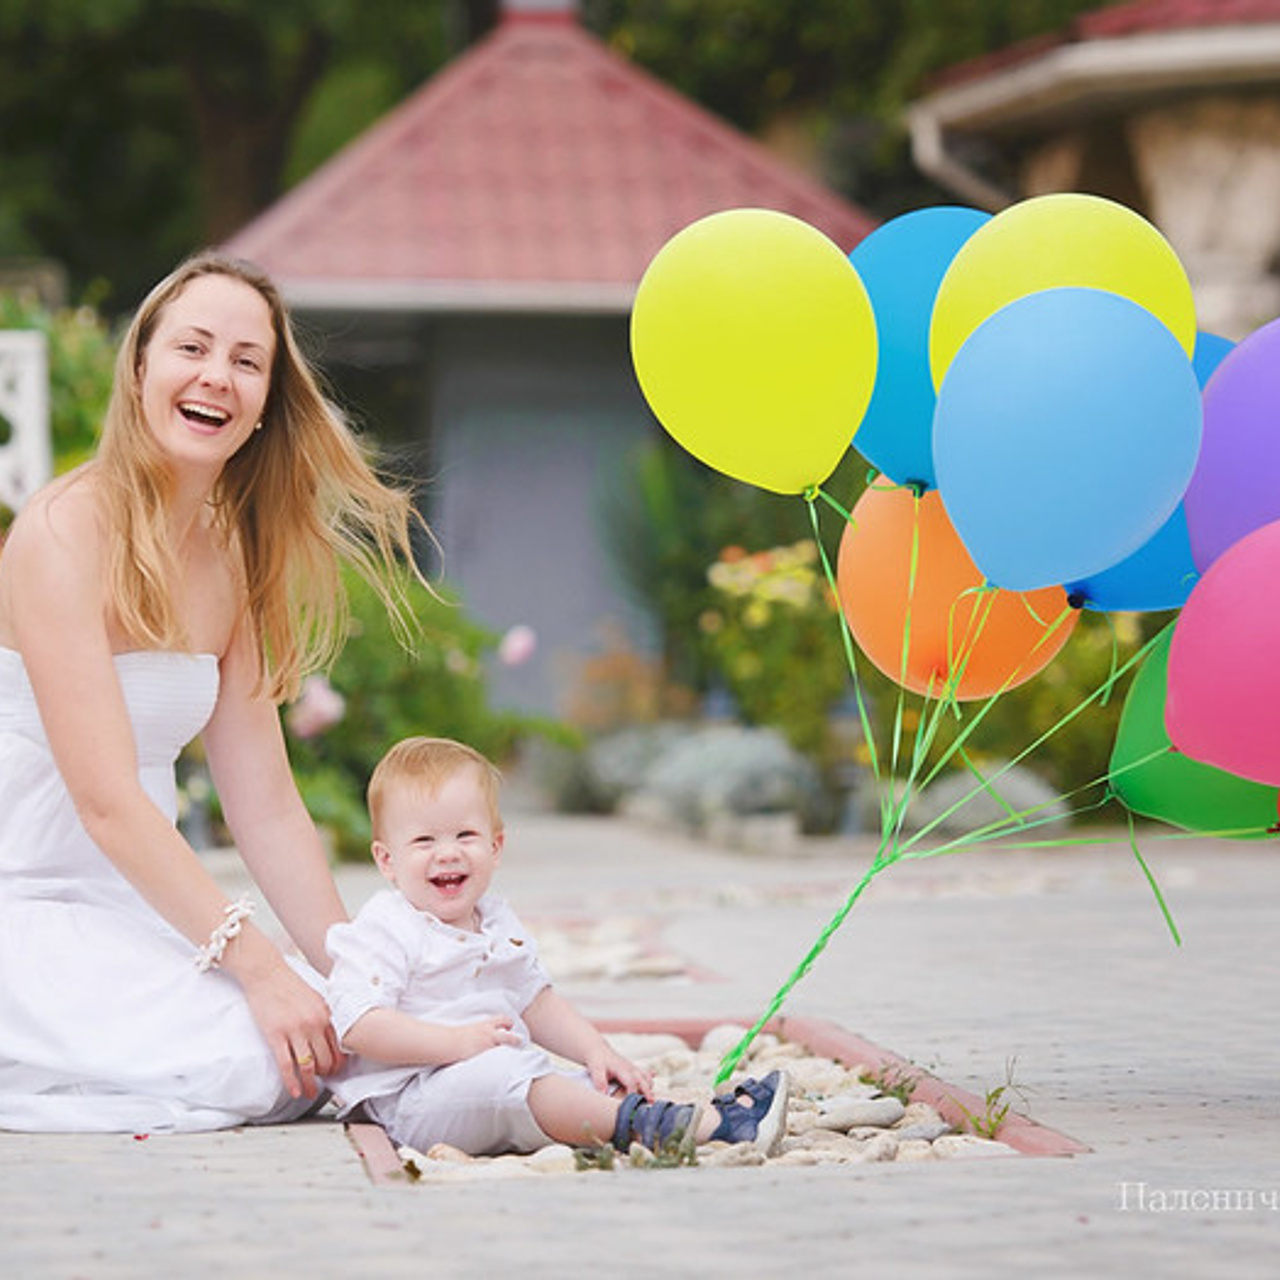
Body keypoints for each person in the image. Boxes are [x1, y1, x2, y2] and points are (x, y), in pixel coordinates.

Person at [0, 250, 428, 1132]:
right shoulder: (61, 532)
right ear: (141, 367)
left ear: (269, 398)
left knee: (344, 1030)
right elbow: (108, 803)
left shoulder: (233, 554)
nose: (215, 378)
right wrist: (260, 968)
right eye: (192, 348)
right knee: (268, 1055)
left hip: (138, 909)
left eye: (246, 360)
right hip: (24, 903)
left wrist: (353, 975)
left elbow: (267, 805)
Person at [325, 736, 789, 1157]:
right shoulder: (387, 926)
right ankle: (692, 1127)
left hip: (498, 1082)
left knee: (589, 1084)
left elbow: (536, 1001)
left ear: (496, 845)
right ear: (387, 860)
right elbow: (359, 1026)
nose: (447, 853)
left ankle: (673, 1118)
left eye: (465, 835)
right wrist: (456, 1043)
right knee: (508, 1076)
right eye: (424, 840)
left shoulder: (495, 919)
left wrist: (595, 1049)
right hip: (416, 1100)